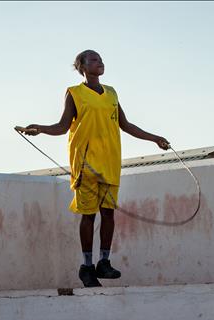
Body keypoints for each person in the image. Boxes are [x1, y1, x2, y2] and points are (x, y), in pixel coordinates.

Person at [18, 49, 170, 288]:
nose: (100, 62)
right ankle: (86, 266)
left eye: (101, 59)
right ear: (82, 66)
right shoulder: (75, 93)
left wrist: (155, 138)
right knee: (88, 215)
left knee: (108, 213)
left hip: (110, 161)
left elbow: (125, 124)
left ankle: (104, 262)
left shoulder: (111, 93)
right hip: (86, 163)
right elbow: (62, 126)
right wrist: (40, 129)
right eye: (94, 59)